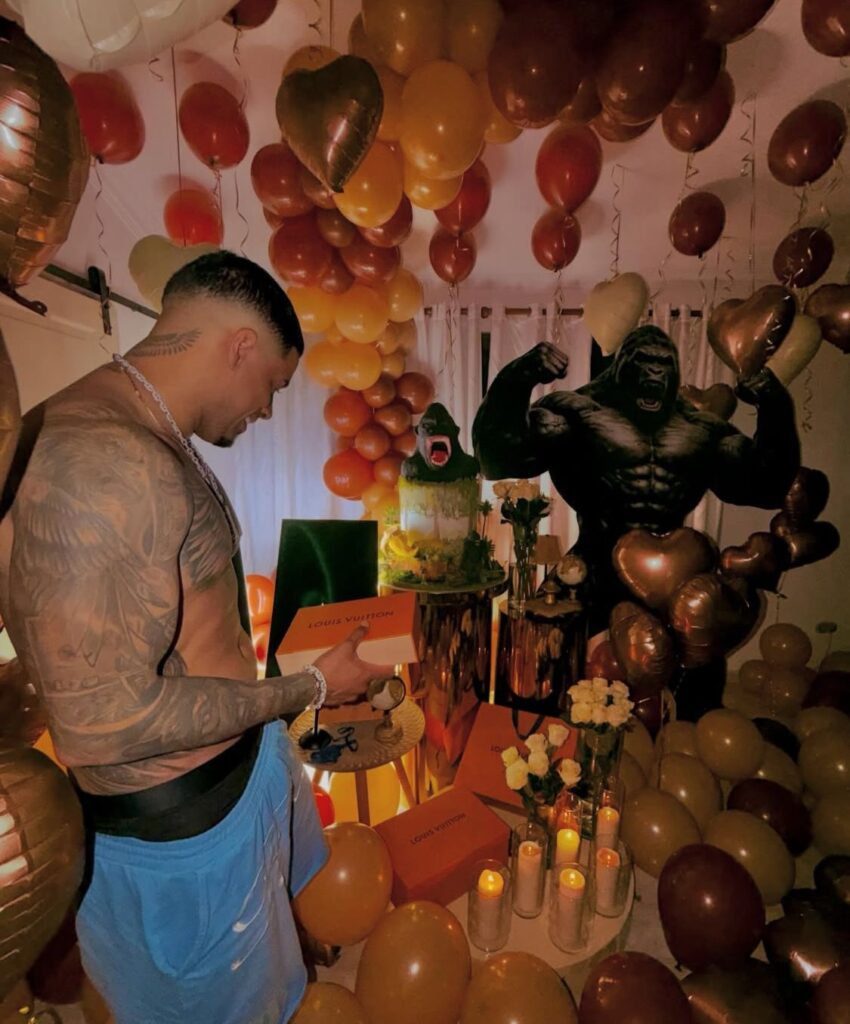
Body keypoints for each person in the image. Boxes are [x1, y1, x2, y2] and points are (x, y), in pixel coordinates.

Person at [0, 252, 390, 1024]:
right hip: (187, 840)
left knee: (279, 968)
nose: (268, 411)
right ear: (240, 345)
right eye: (273, 385)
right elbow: (108, 724)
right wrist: (311, 688)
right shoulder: (104, 466)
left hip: (232, 785)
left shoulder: (137, 427)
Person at [473, 327, 800, 714]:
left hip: (673, 570)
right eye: (644, 362)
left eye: (663, 364)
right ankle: (541, 749)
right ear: (620, 367)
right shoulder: (579, 411)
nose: (655, 373)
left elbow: (767, 486)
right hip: (594, 560)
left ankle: (683, 747)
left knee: (698, 681)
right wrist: (520, 375)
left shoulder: (701, 429)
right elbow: (496, 458)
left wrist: (772, 399)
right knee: (540, 660)